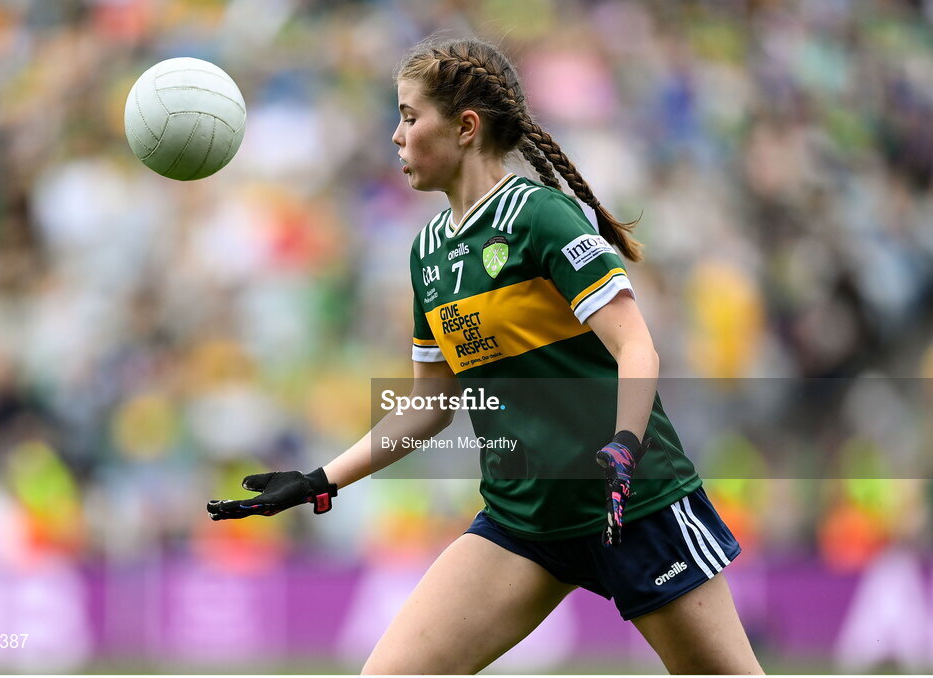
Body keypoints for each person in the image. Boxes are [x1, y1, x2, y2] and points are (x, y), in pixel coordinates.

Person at [207, 37, 764, 675]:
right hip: (524, 520)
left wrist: (623, 448)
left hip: (634, 506)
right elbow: (428, 408)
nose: (396, 136)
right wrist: (317, 480)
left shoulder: (541, 217)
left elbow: (636, 346)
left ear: (466, 127)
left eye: (410, 116)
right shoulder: (427, 255)